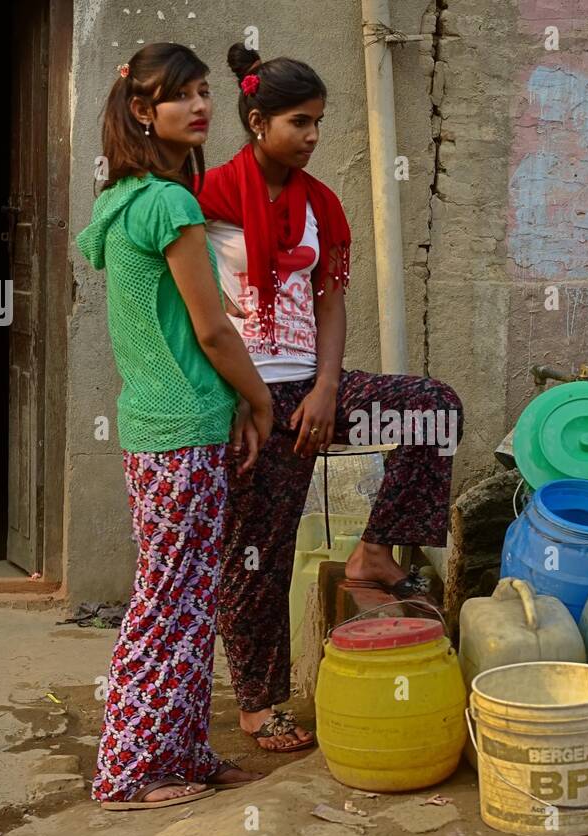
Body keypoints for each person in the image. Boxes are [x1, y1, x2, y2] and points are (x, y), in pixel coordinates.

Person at [199, 44, 463, 753]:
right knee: (259, 554)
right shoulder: (209, 198)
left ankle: (373, 551)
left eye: (318, 121)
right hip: (247, 400)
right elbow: (194, 314)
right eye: (299, 122)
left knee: (431, 407)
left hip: (311, 389)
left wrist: (325, 386)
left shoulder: (321, 204)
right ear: (257, 121)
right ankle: (258, 705)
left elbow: (332, 303)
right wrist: (234, 401)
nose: (314, 136)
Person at [75, 43, 270, 809]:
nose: (199, 107)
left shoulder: (119, 200)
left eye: (202, 93)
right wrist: (260, 402)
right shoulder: (169, 204)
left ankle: (183, 751)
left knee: (188, 601)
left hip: (157, 429)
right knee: (166, 603)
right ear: (139, 110)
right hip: (183, 430)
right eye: (179, 96)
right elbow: (214, 329)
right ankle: (126, 770)